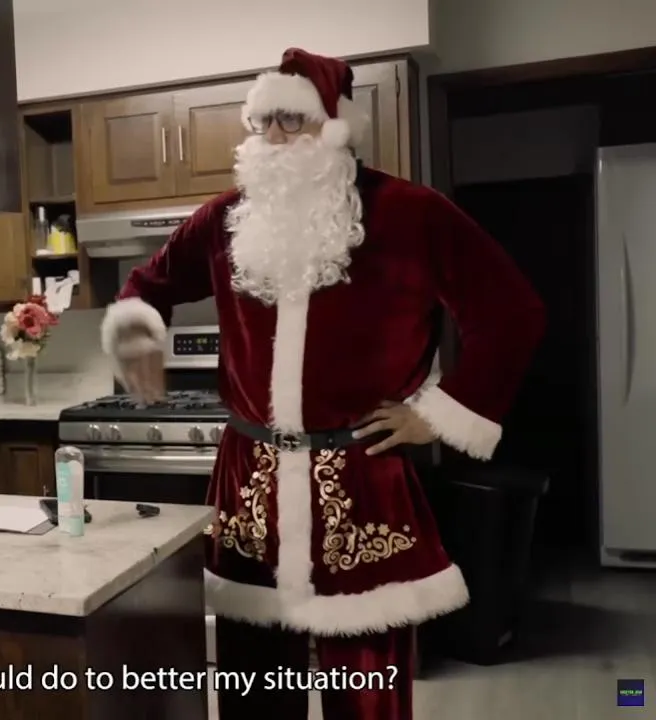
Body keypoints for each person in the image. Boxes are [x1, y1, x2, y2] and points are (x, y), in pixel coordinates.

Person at [100, 48, 544, 720]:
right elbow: (147, 284)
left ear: (335, 125)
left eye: (292, 120)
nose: (274, 137)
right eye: (264, 122)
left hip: (360, 480)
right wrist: (136, 333)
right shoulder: (225, 218)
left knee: (364, 690)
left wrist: (439, 412)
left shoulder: (411, 213)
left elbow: (510, 312)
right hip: (251, 484)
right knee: (252, 686)